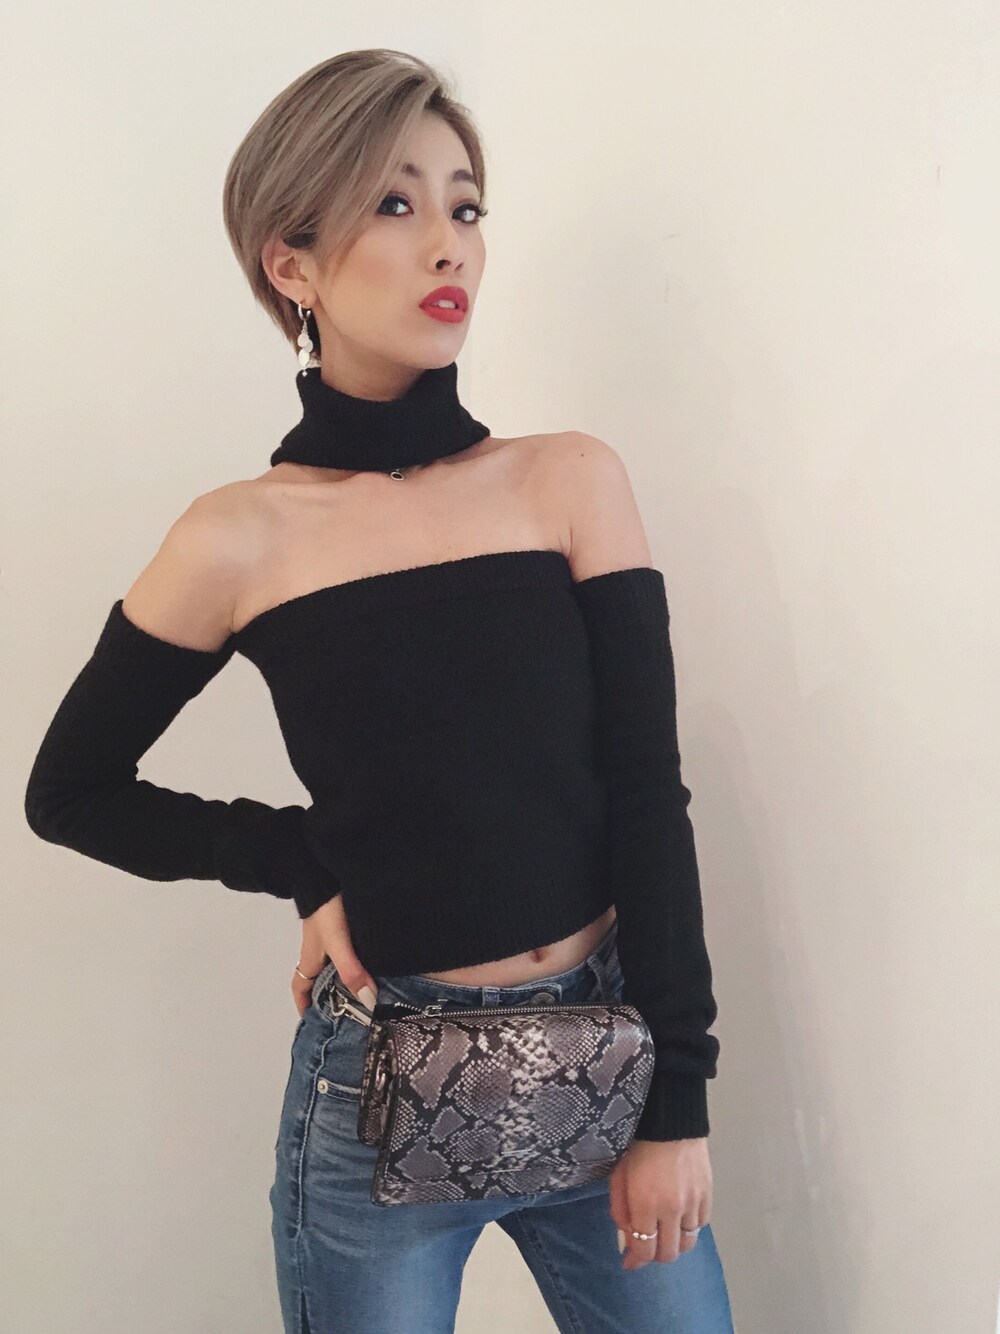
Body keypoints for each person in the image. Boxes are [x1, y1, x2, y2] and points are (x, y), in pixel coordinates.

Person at [24, 48, 734, 1333]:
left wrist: (676, 1099)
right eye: (395, 204)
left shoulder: (567, 480)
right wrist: (306, 861)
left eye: (465, 205)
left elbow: (648, 790)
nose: (448, 243)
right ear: (290, 265)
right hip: (372, 1089)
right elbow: (70, 791)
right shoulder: (237, 537)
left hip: (607, 1053)